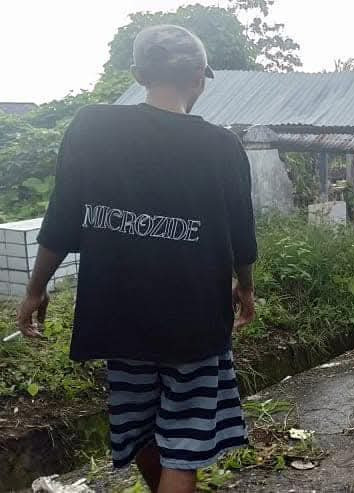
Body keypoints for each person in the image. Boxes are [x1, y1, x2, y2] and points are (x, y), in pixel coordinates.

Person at [16, 25, 256, 493]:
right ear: (199, 79)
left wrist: (35, 288)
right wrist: (245, 288)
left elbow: (62, 217)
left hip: (118, 316)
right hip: (194, 321)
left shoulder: (91, 126)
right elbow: (241, 237)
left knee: (139, 426)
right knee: (185, 442)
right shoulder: (222, 146)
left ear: (137, 74)